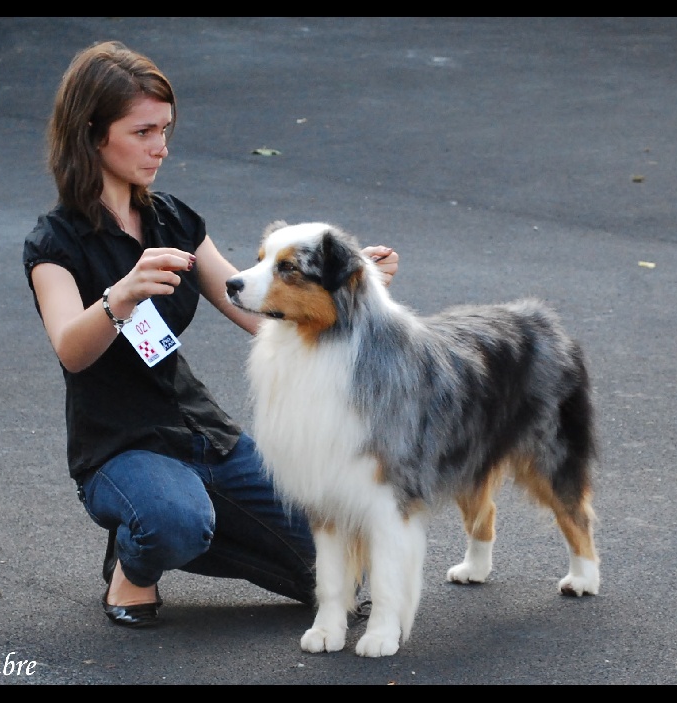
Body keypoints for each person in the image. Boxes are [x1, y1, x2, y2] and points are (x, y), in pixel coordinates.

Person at [23, 40, 399, 628]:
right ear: (92, 134)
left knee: (344, 566)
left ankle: (177, 519)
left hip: (204, 433)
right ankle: (141, 553)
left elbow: (255, 311)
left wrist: (346, 287)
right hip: (121, 448)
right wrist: (121, 295)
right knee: (175, 523)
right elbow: (72, 350)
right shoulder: (56, 243)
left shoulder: (172, 219)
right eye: (143, 132)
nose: (161, 147)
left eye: (165, 130)